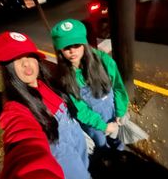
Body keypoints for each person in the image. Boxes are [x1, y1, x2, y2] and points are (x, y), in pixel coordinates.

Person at [0, 31, 92, 179]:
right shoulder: (16, 108)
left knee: (86, 164)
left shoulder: (47, 80)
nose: (27, 65)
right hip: (61, 155)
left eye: (29, 56)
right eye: (17, 60)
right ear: (7, 70)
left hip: (77, 139)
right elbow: (23, 146)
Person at [51, 18, 130, 151]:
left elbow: (118, 87)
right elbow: (80, 109)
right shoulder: (65, 77)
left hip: (113, 113)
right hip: (92, 123)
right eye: (66, 47)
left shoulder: (104, 61)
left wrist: (120, 111)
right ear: (59, 51)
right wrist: (103, 126)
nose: (72, 51)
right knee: (102, 146)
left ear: (84, 43)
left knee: (118, 141)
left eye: (77, 45)